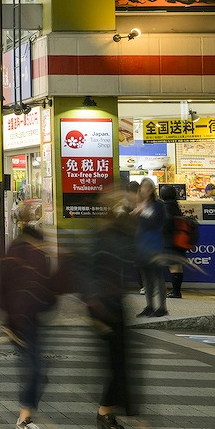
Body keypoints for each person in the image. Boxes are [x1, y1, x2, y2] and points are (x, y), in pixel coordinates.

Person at [0, 203, 60, 429]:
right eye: (34, 218)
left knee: (39, 371)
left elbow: (45, 282)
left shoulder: (39, 249)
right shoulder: (18, 248)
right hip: (18, 322)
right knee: (34, 368)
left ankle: (25, 414)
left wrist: (51, 299)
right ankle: (24, 418)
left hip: (33, 318)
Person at [80, 189, 137, 429]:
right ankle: (105, 413)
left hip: (115, 304)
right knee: (116, 364)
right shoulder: (102, 236)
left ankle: (108, 412)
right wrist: (94, 303)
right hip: (103, 307)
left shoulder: (116, 232)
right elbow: (89, 273)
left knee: (120, 363)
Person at [132, 179, 167, 317]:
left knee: (157, 276)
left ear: (152, 189)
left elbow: (161, 221)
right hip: (141, 244)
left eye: (147, 187)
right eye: (142, 187)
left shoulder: (158, 205)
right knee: (146, 276)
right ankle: (149, 305)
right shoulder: (139, 204)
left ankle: (162, 307)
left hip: (155, 244)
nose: (144, 190)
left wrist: (143, 212)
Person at [160, 185, 188, 299]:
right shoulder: (175, 205)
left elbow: (166, 223)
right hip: (179, 240)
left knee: (173, 266)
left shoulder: (166, 207)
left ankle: (176, 292)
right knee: (178, 266)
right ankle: (177, 291)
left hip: (170, 241)